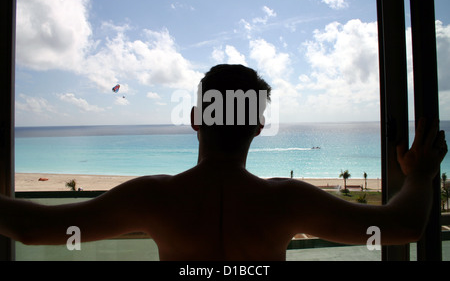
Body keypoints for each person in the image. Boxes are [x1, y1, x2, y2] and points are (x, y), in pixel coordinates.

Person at [0, 64, 447, 260]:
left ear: (196, 120)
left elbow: (32, 229)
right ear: (258, 126)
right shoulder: (287, 201)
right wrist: (421, 175)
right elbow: (403, 227)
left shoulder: (154, 197)